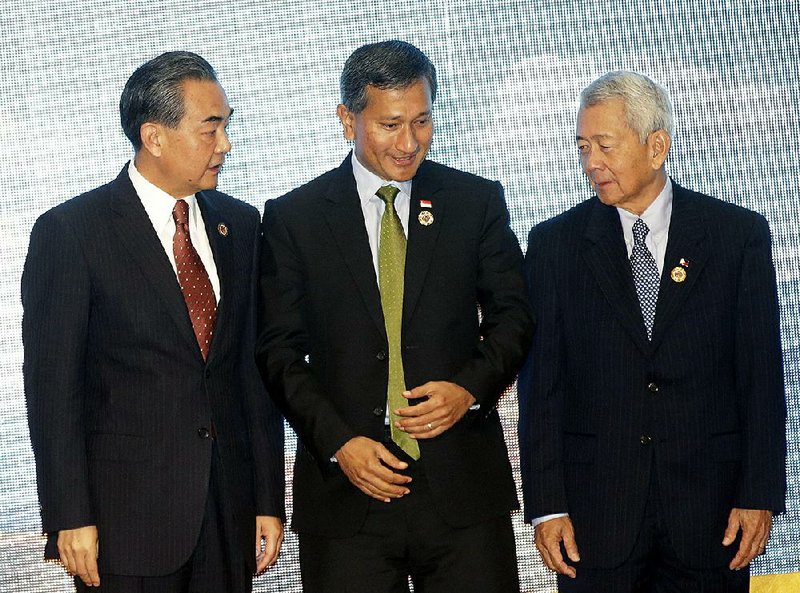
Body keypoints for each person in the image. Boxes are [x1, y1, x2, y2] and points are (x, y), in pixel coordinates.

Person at [256, 40, 533, 593]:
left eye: (422, 121)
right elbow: (278, 352)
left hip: (461, 490)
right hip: (347, 495)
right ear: (347, 119)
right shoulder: (295, 218)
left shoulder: (474, 202)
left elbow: (515, 317)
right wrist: (339, 443)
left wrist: (468, 390)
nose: (409, 143)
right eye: (390, 125)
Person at [22, 51, 284, 593]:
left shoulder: (240, 223)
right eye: (210, 130)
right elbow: (53, 389)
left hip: (228, 513)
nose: (226, 145)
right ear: (154, 136)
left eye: (227, 126)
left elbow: (249, 375)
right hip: (125, 521)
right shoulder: (72, 232)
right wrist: (70, 514)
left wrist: (266, 498)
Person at [518, 70, 786, 592]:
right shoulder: (555, 245)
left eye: (605, 146)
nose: (591, 163)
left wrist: (759, 493)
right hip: (595, 521)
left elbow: (760, 377)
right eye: (582, 147)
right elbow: (542, 388)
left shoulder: (736, 237)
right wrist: (546, 507)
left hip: (712, 517)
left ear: (656, 145)